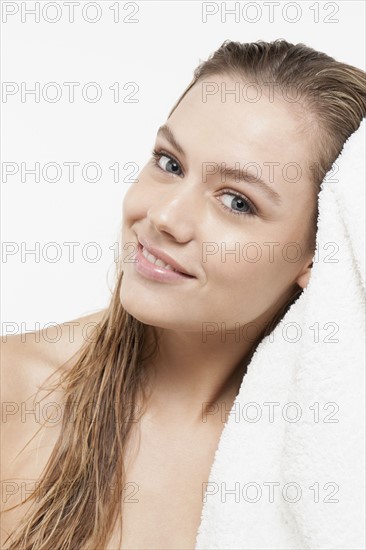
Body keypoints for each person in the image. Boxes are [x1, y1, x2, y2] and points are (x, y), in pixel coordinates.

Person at [1, 39, 365, 549]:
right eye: (169, 163)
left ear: (318, 252)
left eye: (237, 201)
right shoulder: (14, 390)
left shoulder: (329, 471)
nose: (165, 217)